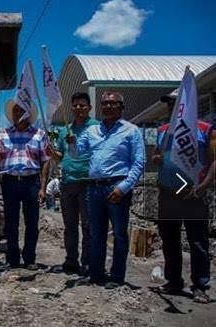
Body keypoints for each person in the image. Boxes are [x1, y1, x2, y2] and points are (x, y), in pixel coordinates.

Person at [71, 91, 145, 289]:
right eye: (105, 103)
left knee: (119, 234)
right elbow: (77, 152)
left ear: (121, 107)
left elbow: (139, 163)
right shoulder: (93, 131)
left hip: (117, 186)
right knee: (96, 233)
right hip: (94, 188)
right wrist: (68, 144)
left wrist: (124, 187)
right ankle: (96, 273)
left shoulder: (132, 131)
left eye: (113, 103)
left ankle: (117, 276)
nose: (108, 107)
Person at [151, 93, 214, 304]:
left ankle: (200, 285)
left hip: (193, 193)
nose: (172, 107)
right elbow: (158, 158)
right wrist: (157, 160)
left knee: (197, 242)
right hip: (169, 193)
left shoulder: (205, 129)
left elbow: (214, 161)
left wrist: (203, 187)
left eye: (176, 104)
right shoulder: (163, 130)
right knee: (170, 241)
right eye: (170, 104)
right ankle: (174, 281)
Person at [50, 92, 99, 275]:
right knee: (70, 225)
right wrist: (54, 155)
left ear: (89, 108)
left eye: (82, 105)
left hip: (87, 182)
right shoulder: (64, 130)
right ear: (71, 108)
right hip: (67, 183)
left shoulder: (96, 128)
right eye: (75, 105)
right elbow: (61, 155)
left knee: (88, 225)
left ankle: (87, 262)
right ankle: (71, 260)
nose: (78, 108)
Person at [0, 100, 50, 269]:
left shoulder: (39, 134)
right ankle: (12, 258)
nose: (18, 113)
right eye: (15, 110)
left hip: (31, 181)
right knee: (11, 222)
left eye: (22, 110)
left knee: (32, 222)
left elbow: (45, 161)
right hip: (10, 181)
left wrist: (42, 187)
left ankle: (29, 258)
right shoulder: (2, 134)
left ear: (28, 113)